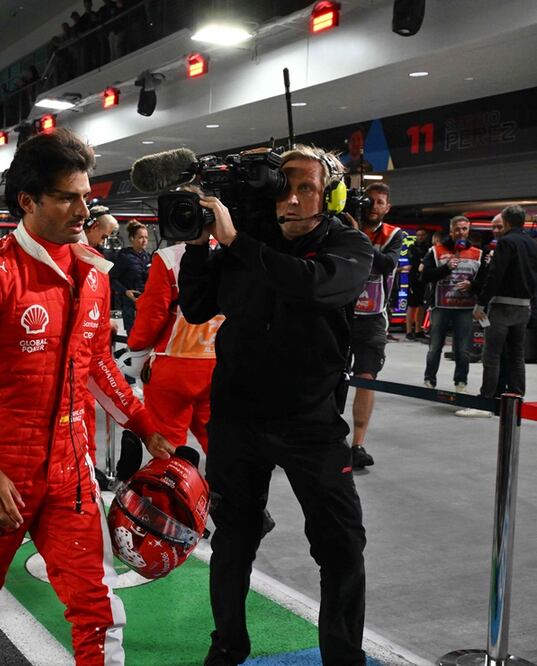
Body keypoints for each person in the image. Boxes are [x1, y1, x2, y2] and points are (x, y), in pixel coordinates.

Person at [0, 128, 175, 665]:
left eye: (86, 195)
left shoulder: (93, 272)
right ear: (29, 201)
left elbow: (96, 364)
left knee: (100, 610)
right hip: (0, 471)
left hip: (72, 470)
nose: (83, 208)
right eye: (68, 197)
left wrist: (141, 421)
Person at [178, 144, 373, 665]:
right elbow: (197, 307)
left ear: (330, 194)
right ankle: (227, 645)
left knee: (341, 545)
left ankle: (342, 656)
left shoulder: (349, 245)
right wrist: (199, 248)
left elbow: (310, 287)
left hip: (309, 420)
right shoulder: (252, 239)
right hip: (238, 417)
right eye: (282, 185)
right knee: (233, 540)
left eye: (304, 186)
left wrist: (237, 241)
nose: (289, 198)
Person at [126, 237, 223, 456]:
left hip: (174, 365)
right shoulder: (236, 253)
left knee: (167, 447)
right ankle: (225, 489)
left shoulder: (169, 258)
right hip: (221, 365)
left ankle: (171, 487)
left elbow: (152, 316)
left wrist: (135, 346)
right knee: (221, 446)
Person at [457, 206, 537, 417]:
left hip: (501, 306)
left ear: (508, 222)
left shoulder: (506, 243)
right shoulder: (532, 244)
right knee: (517, 355)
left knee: (491, 355)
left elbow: (495, 275)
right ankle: (516, 397)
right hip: (524, 306)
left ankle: (486, 401)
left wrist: (481, 304)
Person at [345, 182, 403, 470]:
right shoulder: (340, 224)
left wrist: (355, 235)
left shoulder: (394, 234)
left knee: (366, 377)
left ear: (387, 207)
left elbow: (385, 265)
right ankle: (330, 438)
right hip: (340, 315)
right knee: (330, 376)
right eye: (370, 201)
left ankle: (358, 443)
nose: (374, 206)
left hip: (372, 319)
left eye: (380, 202)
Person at [422, 216, 481, 391]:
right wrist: (445, 268)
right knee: (435, 347)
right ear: (451, 231)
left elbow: (484, 281)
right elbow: (425, 276)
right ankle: (429, 380)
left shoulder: (478, 253)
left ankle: (461, 382)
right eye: (457, 229)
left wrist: (472, 285)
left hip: (465, 308)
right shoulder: (435, 250)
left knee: (463, 349)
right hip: (441, 306)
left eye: (464, 229)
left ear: (468, 230)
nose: (461, 232)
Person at [110, 219, 150, 334]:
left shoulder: (147, 257)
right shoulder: (123, 257)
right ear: (132, 238)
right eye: (141, 237)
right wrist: (125, 291)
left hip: (146, 304)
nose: (144, 241)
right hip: (130, 305)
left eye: (146, 237)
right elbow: (112, 279)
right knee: (133, 336)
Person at [405, 228, 431, 340]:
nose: (420, 237)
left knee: (421, 305)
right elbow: (413, 260)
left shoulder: (428, 248)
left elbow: (429, 261)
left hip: (424, 279)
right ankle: (409, 331)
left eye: (422, 235)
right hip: (414, 279)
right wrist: (421, 261)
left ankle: (418, 330)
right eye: (418, 235)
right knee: (412, 305)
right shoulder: (412, 247)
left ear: (426, 236)